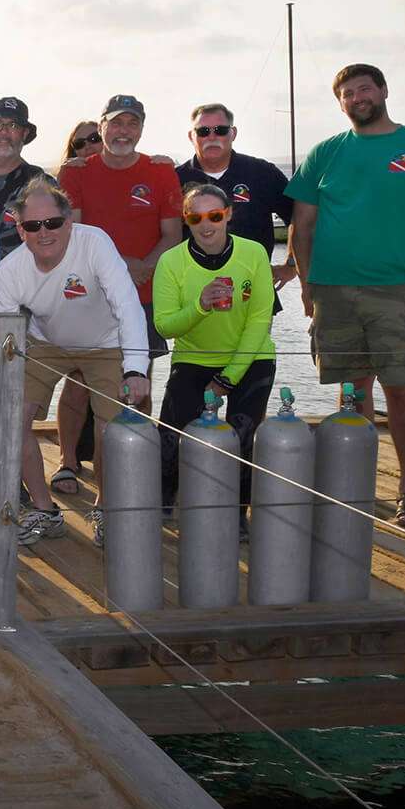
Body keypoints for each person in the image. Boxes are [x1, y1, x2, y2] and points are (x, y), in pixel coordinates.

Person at [287, 63, 405, 528]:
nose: (357, 98)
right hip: (333, 292)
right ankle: (355, 488)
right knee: (353, 392)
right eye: (347, 93)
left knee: (404, 390)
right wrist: (308, 286)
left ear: (384, 91)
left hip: (399, 292)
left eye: (364, 88)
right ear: (341, 103)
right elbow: (301, 226)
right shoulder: (325, 152)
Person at [0, 181, 151, 547]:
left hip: (107, 344)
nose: (43, 232)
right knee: (8, 421)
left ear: (69, 222)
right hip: (46, 343)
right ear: (20, 230)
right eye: (32, 226)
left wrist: (136, 368)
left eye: (53, 223)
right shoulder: (11, 270)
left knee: (110, 431)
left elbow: (127, 305)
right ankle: (45, 511)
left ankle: (106, 509)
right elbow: (3, 331)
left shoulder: (95, 243)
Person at [56, 95, 182, 496]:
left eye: (132, 123)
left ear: (141, 129)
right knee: (78, 380)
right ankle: (68, 462)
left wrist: (142, 266)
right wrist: (119, 265)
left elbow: (172, 235)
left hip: (144, 292)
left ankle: (132, 465)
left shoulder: (160, 171)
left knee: (139, 382)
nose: (123, 131)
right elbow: (72, 233)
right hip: (89, 294)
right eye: (115, 123)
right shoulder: (76, 172)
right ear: (102, 126)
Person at [152, 183, 277, 518]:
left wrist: (226, 379)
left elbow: (259, 322)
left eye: (215, 216)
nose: (206, 224)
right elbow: (165, 327)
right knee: (171, 437)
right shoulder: (171, 261)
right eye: (195, 218)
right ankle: (164, 507)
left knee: (243, 436)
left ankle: (237, 515)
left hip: (251, 357)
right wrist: (201, 305)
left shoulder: (254, 253)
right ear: (185, 220)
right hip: (194, 357)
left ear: (228, 215)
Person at [175, 103, 295, 295]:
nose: (212, 137)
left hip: (252, 290)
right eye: (203, 131)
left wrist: (291, 264)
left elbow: (299, 218)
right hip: (191, 291)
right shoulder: (175, 180)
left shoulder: (262, 173)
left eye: (220, 130)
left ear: (233, 133)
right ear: (191, 136)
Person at [0, 98, 44, 256]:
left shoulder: (42, 186)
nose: (4, 132)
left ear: (25, 133)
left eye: (13, 125)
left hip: (19, 271)